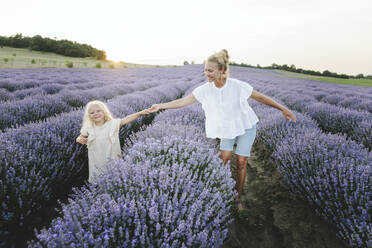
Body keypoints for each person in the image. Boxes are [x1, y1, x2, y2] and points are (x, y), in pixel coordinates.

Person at [148, 49, 296, 211]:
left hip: (246, 126)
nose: (206, 73)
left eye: (210, 70)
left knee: (241, 162)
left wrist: (282, 108)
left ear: (222, 71)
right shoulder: (205, 89)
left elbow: (259, 97)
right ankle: (221, 189)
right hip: (227, 128)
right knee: (223, 159)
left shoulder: (237, 86)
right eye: (205, 70)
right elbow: (184, 101)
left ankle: (237, 197)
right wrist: (160, 106)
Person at [76, 100, 150, 183]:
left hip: (112, 157)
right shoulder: (89, 127)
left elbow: (125, 119)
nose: (95, 114)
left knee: (114, 178)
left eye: (98, 111)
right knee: (98, 180)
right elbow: (80, 137)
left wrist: (139, 113)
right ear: (89, 116)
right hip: (96, 160)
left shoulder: (112, 124)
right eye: (92, 112)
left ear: (104, 112)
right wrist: (80, 139)